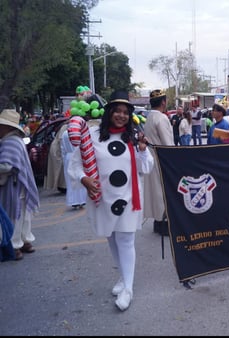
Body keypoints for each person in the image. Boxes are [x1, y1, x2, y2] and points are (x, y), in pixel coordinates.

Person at [67, 90, 154, 311]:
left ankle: (128, 289)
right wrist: (84, 179)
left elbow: (147, 168)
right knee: (112, 239)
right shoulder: (93, 136)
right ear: (109, 113)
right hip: (103, 199)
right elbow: (75, 165)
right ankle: (123, 278)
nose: (122, 115)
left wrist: (143, 151)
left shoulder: (134, 138)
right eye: (117, 111)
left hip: (128, 198)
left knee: (125, 240)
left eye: (126, 112)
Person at [0, 109, 40, 261]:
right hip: (21, 184)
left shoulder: (10, 142)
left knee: (13, 215)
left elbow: (7, 166)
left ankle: (15, 246)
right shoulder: (16, 140)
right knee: (23, 214)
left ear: (7, 127)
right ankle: (25, 241)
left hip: (13, 185)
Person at [143, 89, 174, 234]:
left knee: (155, 191)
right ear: (163, 102)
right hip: (161, 159)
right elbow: (168, 144)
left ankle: (157, 221)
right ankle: (164, 223)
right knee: (163, 191)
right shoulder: (162, 118)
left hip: (151, 157)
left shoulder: (149, 117)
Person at [60, 122, 87, 209]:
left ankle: (73, 200)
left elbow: (62, 148)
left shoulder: (64, 134)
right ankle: (81, 200)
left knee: (70, 179)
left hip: (68, 156)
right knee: (79, 178)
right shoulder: (78, 133)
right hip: (77, 156)